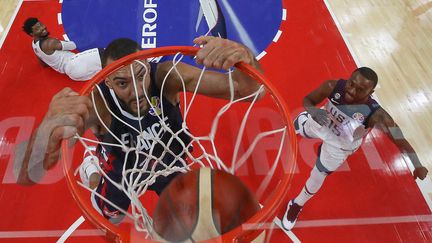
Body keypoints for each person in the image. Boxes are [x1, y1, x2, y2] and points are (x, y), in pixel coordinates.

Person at [14, 36, 263, 224]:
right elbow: (27, 175)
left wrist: (246, 59)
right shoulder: (96, 104)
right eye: (122, 83)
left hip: (170, 162)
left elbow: (253, 92)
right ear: (107, 80)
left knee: (193, 218)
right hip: (123, 173)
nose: (136, 91)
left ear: (146, 64)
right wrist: (46, 129)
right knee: (112, 219)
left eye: (140, 75)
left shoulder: (168, 77)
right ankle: (91, 171)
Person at [281, 67, 429, 231]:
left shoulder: (377, 116)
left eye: (360, 90)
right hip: (322, 122)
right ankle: (303, 122)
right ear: (349, 78)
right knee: (301, 128)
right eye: (351, 84)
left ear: (371, 92)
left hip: (341, 144)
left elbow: (400, 141)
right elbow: (308, 100)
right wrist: (313, 111)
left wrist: (417, 165)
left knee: (319, 174)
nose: (352, 91)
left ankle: (296, 204)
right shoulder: (332, 86)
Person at [22, 17, 103, 81]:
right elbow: (74, 45)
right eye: (37, 29)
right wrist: (92, 34)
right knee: (107, 53)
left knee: (104, 71)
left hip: (73, 74)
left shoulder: (34, 45)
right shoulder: (50, 42)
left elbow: (43, 64)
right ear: (31, 34)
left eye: (40, 24)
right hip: (75, 63)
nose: (42, 28)